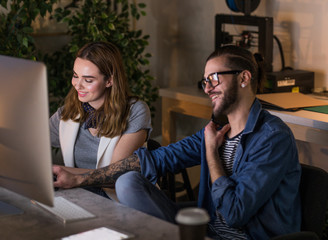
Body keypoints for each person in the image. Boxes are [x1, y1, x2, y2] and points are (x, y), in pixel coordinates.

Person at [53, 45, 301, 239]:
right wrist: (80, 179)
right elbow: (156, 160)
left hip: (246, 237)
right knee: (128, 180)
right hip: (205, 230)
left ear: (244, 78)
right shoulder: (213, 131)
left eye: (213, 79)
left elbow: (234, 213)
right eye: (205, 81)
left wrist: (212, 154)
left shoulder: (272, 137)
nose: (207, 89)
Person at [50, 41, 152, 200]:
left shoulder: (136, 111)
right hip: (79, 196)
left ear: (109, 80)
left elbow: (114, 175)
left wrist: (59, 171)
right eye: (75, 76)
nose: (78, 85)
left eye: (88, 80)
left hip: (122, 201)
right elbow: (30, 141)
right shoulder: (67, 112)